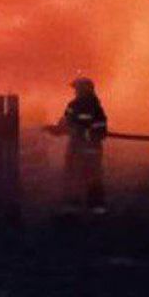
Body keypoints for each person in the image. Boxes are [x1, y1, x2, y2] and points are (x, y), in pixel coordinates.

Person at [47, 77, 109, 214]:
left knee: (74, 176)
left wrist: (58, 130)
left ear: (84, 89)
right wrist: (60, 129)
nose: (75, 91)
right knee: (93, 176)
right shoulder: (97, 107)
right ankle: (96, 207)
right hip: (92, 149)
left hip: (78, 148)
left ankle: (73, 206)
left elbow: (67, 125)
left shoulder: (75, 105)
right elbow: (101, 131)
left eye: (77, 89)